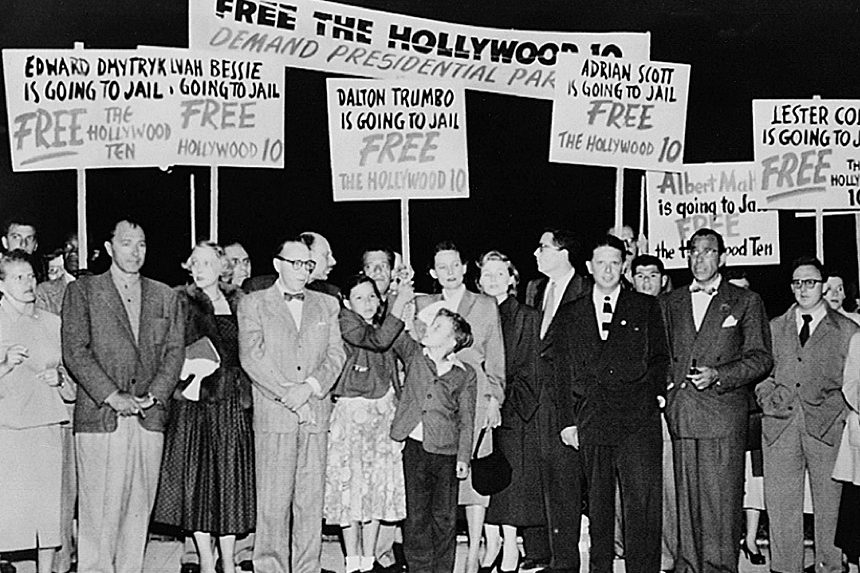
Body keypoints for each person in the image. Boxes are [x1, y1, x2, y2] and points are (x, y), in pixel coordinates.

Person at [62, 219, 185, 573]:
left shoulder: (166, 295)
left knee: (138, 509)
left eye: (142, 244)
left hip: (148, 418)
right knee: (99, 511)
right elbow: (75, 351)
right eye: (127, 243)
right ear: (110, 246)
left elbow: (174, 353)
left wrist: (155, 394)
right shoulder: (83, 291)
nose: (135, 251)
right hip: (102, 419)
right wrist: (112, 395)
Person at [660, 227, 772, 573]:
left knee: (721, 504)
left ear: (722, 257)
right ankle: (687, 566)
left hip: (722, 414)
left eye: (708, 251)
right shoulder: (671, 301)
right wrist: (667, 389)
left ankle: (720, 568)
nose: (699, 258)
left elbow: (760, 358)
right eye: (693, 251)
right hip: (682, 415)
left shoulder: (745, 301)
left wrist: (720, 375)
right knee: (686, 502)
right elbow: (661, 355)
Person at [554, 235, 668, 573]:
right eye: (601, 262)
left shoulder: (645, 307)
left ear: (624, 267)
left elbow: (660, 357)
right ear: (589, 267)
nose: (608, 269)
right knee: (600, 506)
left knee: (642, 504)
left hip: (638, 419)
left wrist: (657, 394)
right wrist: (568, 422)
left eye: (615, 263)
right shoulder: (571, 313)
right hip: (592, 419)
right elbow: (562, 371)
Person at [238, 237, 346, 573]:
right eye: (295, 263)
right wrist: (290, 396)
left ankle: (307, 567)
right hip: (275, 416)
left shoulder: (327, 305)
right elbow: (252, 358)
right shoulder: (253, 304)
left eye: (308, 264)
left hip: (315, 414)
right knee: (272, 503)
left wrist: (310, 388)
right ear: (277, 264)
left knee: (310, 502)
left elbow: (336, 356)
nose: (302, 270)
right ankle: (269, 567)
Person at [153, 241, 256, 573]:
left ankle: (228, 558)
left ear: (222, 267)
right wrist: (185, 369)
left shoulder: (241, 303)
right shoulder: (178, 301)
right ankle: (206, 559)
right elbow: (165, 348)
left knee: (229, 484)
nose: (199, 269)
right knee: (197, 485)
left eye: (207, 263)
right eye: (194, 263)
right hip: (194, 405)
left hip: (231, 404)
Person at [756, 256, 859, 573]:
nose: (803, 289)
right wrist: (769, 398)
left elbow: (854, 379)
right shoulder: (773, 327)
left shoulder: (846, 330)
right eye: (797, 282)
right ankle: (785, 567)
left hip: (827, 428)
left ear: (823, 285)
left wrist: (837, 411)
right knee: (782, 505)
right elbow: (760, 371)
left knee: (829, 506)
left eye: (810, 282)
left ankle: (830, 566)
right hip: (779, 427)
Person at [415, 241, 505, 573]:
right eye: (442, 267)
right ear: (432, 273)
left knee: (473, 482)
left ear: (465, 267)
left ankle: (473, 553)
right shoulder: (423, 304)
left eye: (455, 265)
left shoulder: (484, 304)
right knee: (440, 482)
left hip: (475, 398)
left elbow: (495, 354)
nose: (449, 273)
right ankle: (443, 555)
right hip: (436, 405)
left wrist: (494, 397)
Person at [324, 274, 411, 573]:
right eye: (360, 297)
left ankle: (368, 559)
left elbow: (406, 352)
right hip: (353, 413)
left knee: (376, 488)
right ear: (348, 301)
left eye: (372, 296)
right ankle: (351, 560)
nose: (368, 303)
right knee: (351, 487)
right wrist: (399, 306)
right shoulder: (346, 322)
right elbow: (376, 342)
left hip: (383, 411)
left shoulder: (385, 325)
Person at [0, 251, 74, 573]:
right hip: (6, 428)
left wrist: (59, 378)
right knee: (7, 511)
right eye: (18, 277)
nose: (28, 283)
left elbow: (70, 376)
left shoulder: (52, 322)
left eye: (31, 276)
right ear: (1, 284)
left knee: (47, 512)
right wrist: (3, 365)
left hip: (46, 424)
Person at [521, 229, 590, 573]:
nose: (536, 252)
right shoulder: (535, 289)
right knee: (542, 480)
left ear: (563, 253)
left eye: (543, 247)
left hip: (567, 402)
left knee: (565, 484)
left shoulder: (585, 289)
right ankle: (545, 555)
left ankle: (565, 563)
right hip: (535, 401)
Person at [389, 307, 477, 573]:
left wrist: (463, 457)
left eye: (438, 327)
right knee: (416, 517)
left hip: (446, 453)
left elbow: (467, 419)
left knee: (445, 518)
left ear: (452, 341)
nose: (430, 329)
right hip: (415, 449)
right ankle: (419, 569)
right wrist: (401, 295)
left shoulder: (464, 373)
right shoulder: (415, 354)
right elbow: (396, 330)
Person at [477, 251, 543, 573]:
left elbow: (531, 370)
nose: (492, 280)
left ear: (512, 279)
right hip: (478, 410)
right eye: (486, 274)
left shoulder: (527, 316)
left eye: (499, 273)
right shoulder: (473, 315)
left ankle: (510, 550)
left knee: (509, 488)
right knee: (483, 482)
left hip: (514, 413)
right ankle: (491, 546)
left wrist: (503, 407)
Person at [629, 254, 676, 573]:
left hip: (665, 408)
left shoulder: (674, 310)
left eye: (653, 275)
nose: (647, 281)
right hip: (631, 410)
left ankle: (668, 551)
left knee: (667, 485)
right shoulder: (624, 309)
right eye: (640, 275)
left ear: (663, 280)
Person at [34, 246, 78, 573]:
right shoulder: (44, 293)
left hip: (63, 402)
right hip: (29, 410)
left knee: (64, 490)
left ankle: (61, 563)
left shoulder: (66, 291)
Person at [724, 268, 767, 566]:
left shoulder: (756, 322)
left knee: (754, 481)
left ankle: (750, 539)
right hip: (724, 409)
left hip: (752, 413)